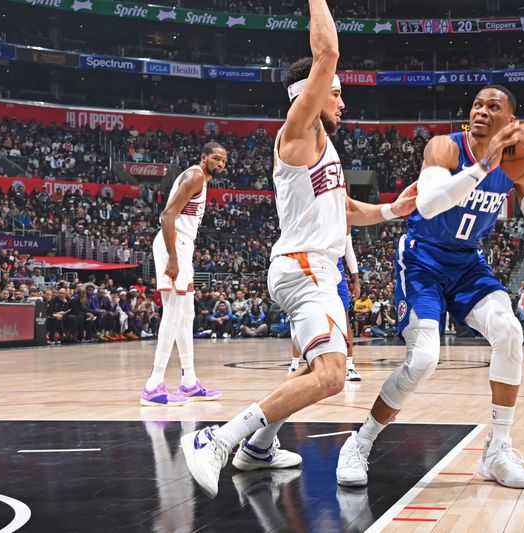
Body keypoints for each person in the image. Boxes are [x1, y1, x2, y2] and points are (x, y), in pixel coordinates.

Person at [180, 0, 418, 499]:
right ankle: (217, 439)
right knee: (332, 375)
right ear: (309, 94)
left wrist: (395, 210)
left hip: (314, 268)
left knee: (315, 368)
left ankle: (260, 446)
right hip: (305, 268)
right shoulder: (297, 134)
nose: (342, 102)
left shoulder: (323, 148)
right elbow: (326, 52)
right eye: (335, 93)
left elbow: (347, 209)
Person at [336, 84, 524, 489]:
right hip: (422, 259)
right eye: (477, 104)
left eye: (493, 107)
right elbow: (428, 204)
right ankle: (359, 443)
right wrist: (481, 168)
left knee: (510, 332)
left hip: (466, 262)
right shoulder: (445, 146)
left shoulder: (514, 165)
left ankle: (497, 450)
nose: (481, 111)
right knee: (423, 359)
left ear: (511, 122)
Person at [140, 142, 227, 407]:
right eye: (216, 159)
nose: (220, 164)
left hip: (181, 244)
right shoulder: (195, 176)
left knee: (187, 313)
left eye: (224, 161)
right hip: (173, 244)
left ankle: (189, 381)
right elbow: (167, 217)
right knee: (174, 312)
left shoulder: (202, 179)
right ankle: (153, 384)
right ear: (204, 157)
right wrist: (174, 258)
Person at [288, 225, 362, 381]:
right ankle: (294, 364)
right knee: (303, 317)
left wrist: (356, 280)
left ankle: (349, 366)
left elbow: (348, 249)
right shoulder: (311, 213)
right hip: (311, 266)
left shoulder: (342, 215)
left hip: (336, 270)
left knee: (344, 318)